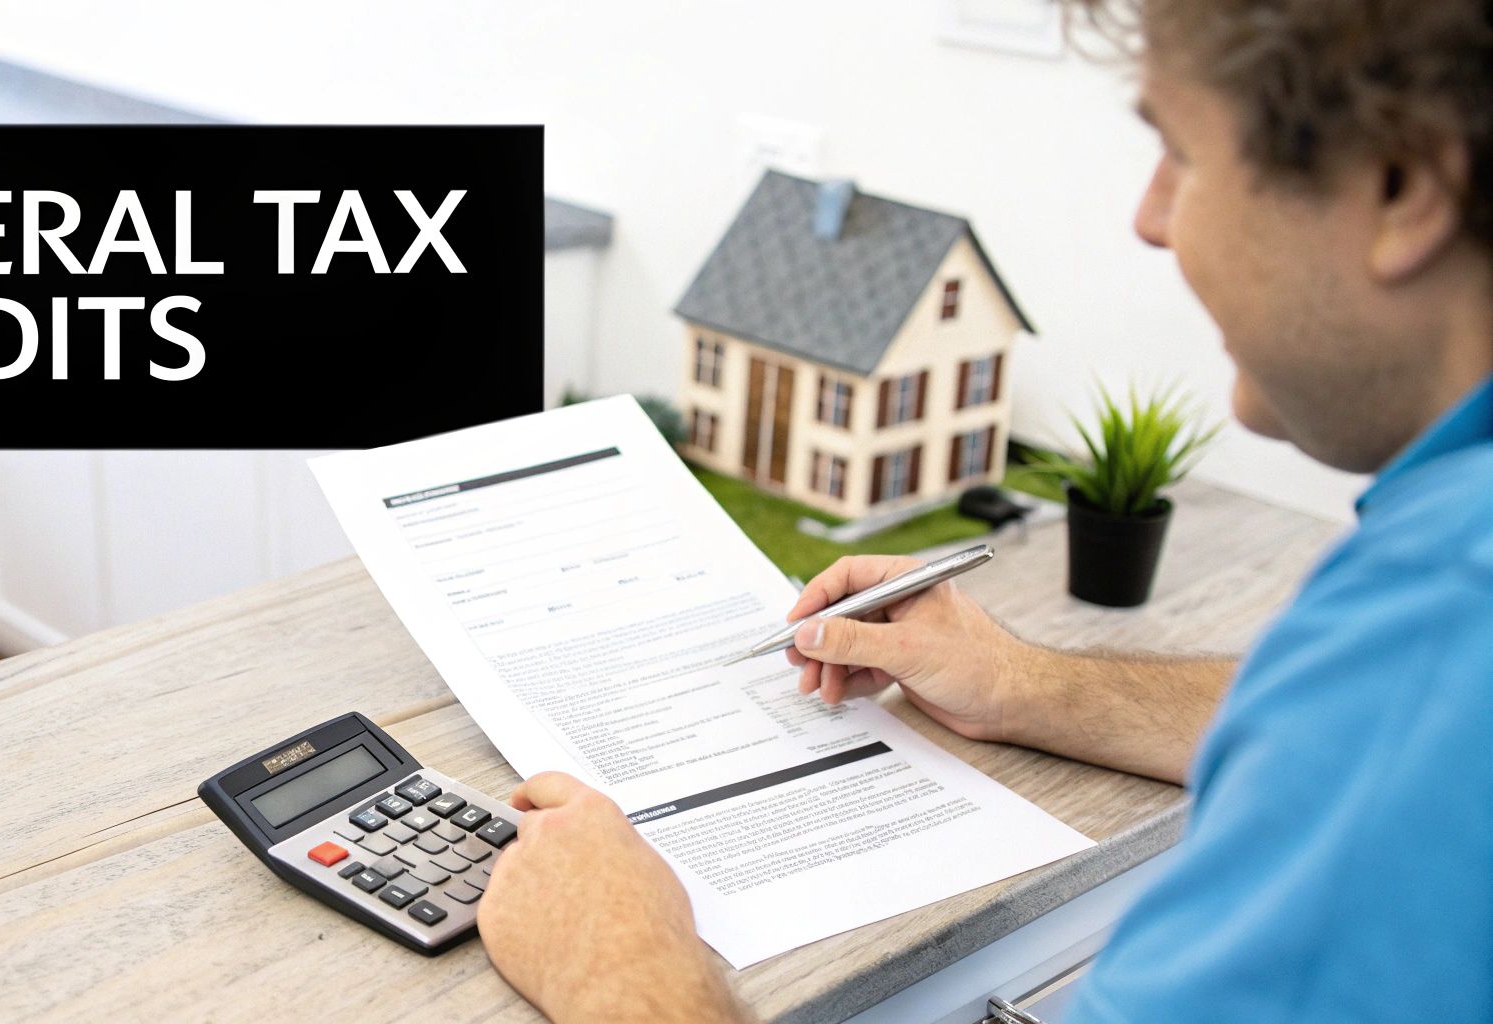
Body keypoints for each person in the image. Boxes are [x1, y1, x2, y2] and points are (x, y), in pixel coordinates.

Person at [473, 1, 1493, 1020]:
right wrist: (1025, 683)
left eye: (1181, 153)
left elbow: (1378, 725)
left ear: (1400, 188)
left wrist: (621, 971)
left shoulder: (1432, 639)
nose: (1148, 216)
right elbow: (1307, 721)